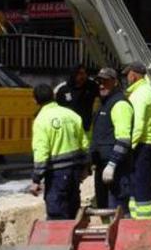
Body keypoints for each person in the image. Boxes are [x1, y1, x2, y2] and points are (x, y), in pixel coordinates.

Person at [29, 84, 89, 220]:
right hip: (74, 173)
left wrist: (36, 179)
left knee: (57, 213)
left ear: (35, 100)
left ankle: (60, 241)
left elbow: (41, 152)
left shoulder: (41, 120)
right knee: (73, 210)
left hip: (57, 175)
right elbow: (85, 144)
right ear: (54, 96)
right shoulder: (71, 115)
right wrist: (85, 167)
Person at [90, 67, 133, 212]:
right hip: (103, 167)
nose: (101, 85)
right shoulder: (104, 103)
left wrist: (112, 164)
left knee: (118, 210)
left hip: (117, 170)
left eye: (106, 82)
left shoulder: (119, 104)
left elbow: (124, 139)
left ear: (115, 82)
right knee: (104, 208)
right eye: (99, 82)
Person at [124, 61, 151, 220]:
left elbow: (138, 124)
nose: (126, 77)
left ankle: (145, 220)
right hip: (142, 142)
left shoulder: (141, 93)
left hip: (141, 144)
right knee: (135, 180)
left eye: (128, 74)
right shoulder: (141, 91)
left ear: (134, 74)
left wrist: (129, 146)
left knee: (140, 182)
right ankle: (136, 216)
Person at [56, 65, 100, 132]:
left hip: (86, 128)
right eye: (80, 73)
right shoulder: (63, 89)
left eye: (84, 73)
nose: (83, 76)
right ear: (73, 74)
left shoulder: (92, 86)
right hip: (69, 128)